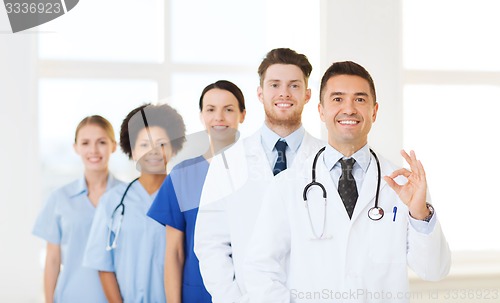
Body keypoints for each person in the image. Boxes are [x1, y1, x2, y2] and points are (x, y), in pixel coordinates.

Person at [244, 61, 451, 303]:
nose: (349, 109)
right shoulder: (288, 185)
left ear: (374, 111)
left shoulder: (404, 185)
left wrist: (419, 213)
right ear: (321, 111)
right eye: (338, 99)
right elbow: (260, 269)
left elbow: (434, 270)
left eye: (360, 100)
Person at [194, 48, 325, 303]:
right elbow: (210, 245)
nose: (284, 93)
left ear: (307, 95)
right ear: (260, 93)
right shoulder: (227, 162)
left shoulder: (328, 160)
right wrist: (232, 299)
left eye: (294, 86)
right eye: (274, 85)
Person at [147, 80, 247, 303]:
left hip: (251, 292)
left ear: (243, 114)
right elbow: (174, 253)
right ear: (202, 116)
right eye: (211, 109)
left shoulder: (259, 171)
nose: (219, 117)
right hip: (197, 294)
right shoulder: (182, 176)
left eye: (228, 109)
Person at [83, 103, 186, 303]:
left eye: (161, 143)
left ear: (173, 148)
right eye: (144, 144)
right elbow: (104, 265)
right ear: (133, 149)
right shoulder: (112, 201)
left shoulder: (184, 198)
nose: (153, 151)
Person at [32, 115, 123, 303]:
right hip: (70, 297)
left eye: (102, 142)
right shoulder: (60, 198)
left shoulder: (128, 197)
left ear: (114, 146)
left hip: (117, 298)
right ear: (76, 148)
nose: (93, 150)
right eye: (85, 143)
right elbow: (53, 260)